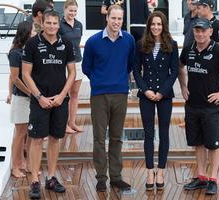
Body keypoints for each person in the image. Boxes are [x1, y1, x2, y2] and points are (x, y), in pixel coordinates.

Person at [178, 18, 219, 195]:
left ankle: (213, 179)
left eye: (203, 30)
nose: (199, 34)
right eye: (196, 31)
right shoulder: (188, 50)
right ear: (193, 32)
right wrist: (183, 86)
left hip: (210, 107)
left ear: (210, 32)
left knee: (213, 144)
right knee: (198, 142)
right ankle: (201, 177)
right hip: (192, 105)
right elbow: (180, 66)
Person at [22, 10, 75, 199]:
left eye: (55, 23)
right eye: (49, 23)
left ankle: (51, 177)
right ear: (42, 23)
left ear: (58, 24)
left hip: (60, 100)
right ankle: (35, 180)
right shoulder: (32, 44)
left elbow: (72, 73)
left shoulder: (66, 44)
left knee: (55, 138)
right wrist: (39, 97)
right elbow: (25, 73)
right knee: (36, 140)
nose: (52, 26)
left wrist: (62, 96)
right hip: (40, 100)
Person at [82, 4, 135, 192]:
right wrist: (100, 80)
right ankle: (101, 178)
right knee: (98, 138)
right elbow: (86, 67)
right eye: (113, 18)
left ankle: (116, 177)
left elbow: (130, 65)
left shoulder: (129, 40)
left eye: (120, 19)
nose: (116, 22)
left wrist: (118, 80)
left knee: (116, 137)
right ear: (107, 18)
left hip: (120, 93)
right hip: (99, 95)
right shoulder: (93, 41)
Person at [133, 11, 178, 191]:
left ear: (163, 26)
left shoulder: (172, 45)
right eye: (153, 24)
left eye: (159, 24)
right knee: (149, 134)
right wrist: (146, 90)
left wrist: (162, 92)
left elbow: (174, 71)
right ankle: (150, 170)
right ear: (149, 26)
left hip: (164, 95)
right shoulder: (140, 44)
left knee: (164, 133)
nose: (156, 27)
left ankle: (161, 171)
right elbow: (136, 71)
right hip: (146, 95)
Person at [8, 21, 36, 178]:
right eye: (32, 31)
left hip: (31, 98)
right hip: (21, 98)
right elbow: (15, 78)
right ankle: (15, 166)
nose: (34, 34)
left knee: (31, 133)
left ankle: (28, 163)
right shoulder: (15, 53)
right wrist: (31, 93)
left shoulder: (29, 50)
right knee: (20, 133)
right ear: (26, 33)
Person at [59, 0, 84, 133]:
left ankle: (72, 123)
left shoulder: (79, 24)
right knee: (65, 94)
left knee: (74, 94)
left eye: (75, 11)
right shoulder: (60, 24)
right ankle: (63, 124)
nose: (72, 13)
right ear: (65, 9)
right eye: (70, 10)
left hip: (77, 61)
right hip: (64, 63)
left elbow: (78, 41)